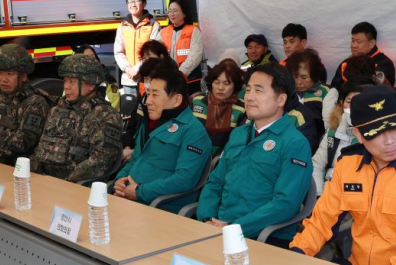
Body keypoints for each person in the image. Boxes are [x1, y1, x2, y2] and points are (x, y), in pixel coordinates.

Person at [291, 86, 396, 265]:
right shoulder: (348, 164)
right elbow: (321, 221)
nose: (390, 140)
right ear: (359, 134)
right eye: (377, 133)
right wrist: (296, 253)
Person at [196, 63, 312, 245]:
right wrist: (206, 218)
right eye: (248, 89)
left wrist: (234, 228)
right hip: (217, 228)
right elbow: (216, 182)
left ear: (281, 100)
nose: (249, 97)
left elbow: (285, 204)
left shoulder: (295, 143)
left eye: (258, 91)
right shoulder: (239, 133)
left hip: (263, 236)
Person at [113, 64, 212, 213]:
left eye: (155, 95)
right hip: (129, 199)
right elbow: (135, 160)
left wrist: (140, 191)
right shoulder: (150, 123)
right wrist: (120, 180)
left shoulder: (193, 131)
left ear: (176, 100)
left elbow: (184, 179)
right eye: (148, 94)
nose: (148, 101)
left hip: (159, 207)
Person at [30, 54, 124, 183]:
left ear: (91, 84)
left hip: (75, 187)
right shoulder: (57, 109)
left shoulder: (106, 116)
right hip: (44, 181)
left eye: (72, 81)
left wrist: (65, 182)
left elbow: (100, 162)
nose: (66, 86)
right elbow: (41, 149)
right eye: (65, 80)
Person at [0, 44, 49, 165]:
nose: (3, 79)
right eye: (0, 73)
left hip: (22, 166)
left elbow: (23, 143)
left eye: (10, 74)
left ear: (23, 76)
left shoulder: (35, 102)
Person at [311, 82, 366, 194]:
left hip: (358, 196)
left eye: (360, 102)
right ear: (341, 103)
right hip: (328, 192)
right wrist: (318, 195)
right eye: (349, 102)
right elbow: (317, 165)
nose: (354, 107)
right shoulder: (333, 131)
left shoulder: (375, 136)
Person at [190, 59, 246, 155]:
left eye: (226, 83)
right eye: (216, 82)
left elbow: (239, 142)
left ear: (235, 86)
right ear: (211, 83)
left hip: (223, 159)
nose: (220, 88)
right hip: (193, 154)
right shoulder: (198, 101)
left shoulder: (242, 109)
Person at [286, 48, 338, 146]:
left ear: (314, 75)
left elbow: (329, 126)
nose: (299, 82)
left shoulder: (327, 92)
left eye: (304, 77)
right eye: (295, 77)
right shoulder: (287, 92)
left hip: (315, 144)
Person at [113, 0, 161, 94]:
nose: (133, 4)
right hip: (128, 80)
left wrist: (137, 69)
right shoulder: (122, 26)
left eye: (136, 1)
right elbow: (118, 51)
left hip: (148, 78)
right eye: (130, 2)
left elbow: (153, 53)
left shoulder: (153, 25)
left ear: (144, 4)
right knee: (130, 109)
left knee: (147, 108)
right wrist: (128, 69)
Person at [330, 22, 396, 89]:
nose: (353, 45)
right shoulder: (345, 63)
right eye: (353, 41)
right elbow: (334, 89)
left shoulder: (383, 63)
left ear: (372, 43)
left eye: (358, 42)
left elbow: (372, 87)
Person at [159, 0, 204, 92]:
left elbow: (195, 55)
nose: (171, 14)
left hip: (190, 79)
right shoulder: (163, 32)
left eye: (175, 11)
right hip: (169, 79)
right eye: (170, 11)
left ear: (184, 13)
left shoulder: (193, 30)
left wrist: (181, 73)